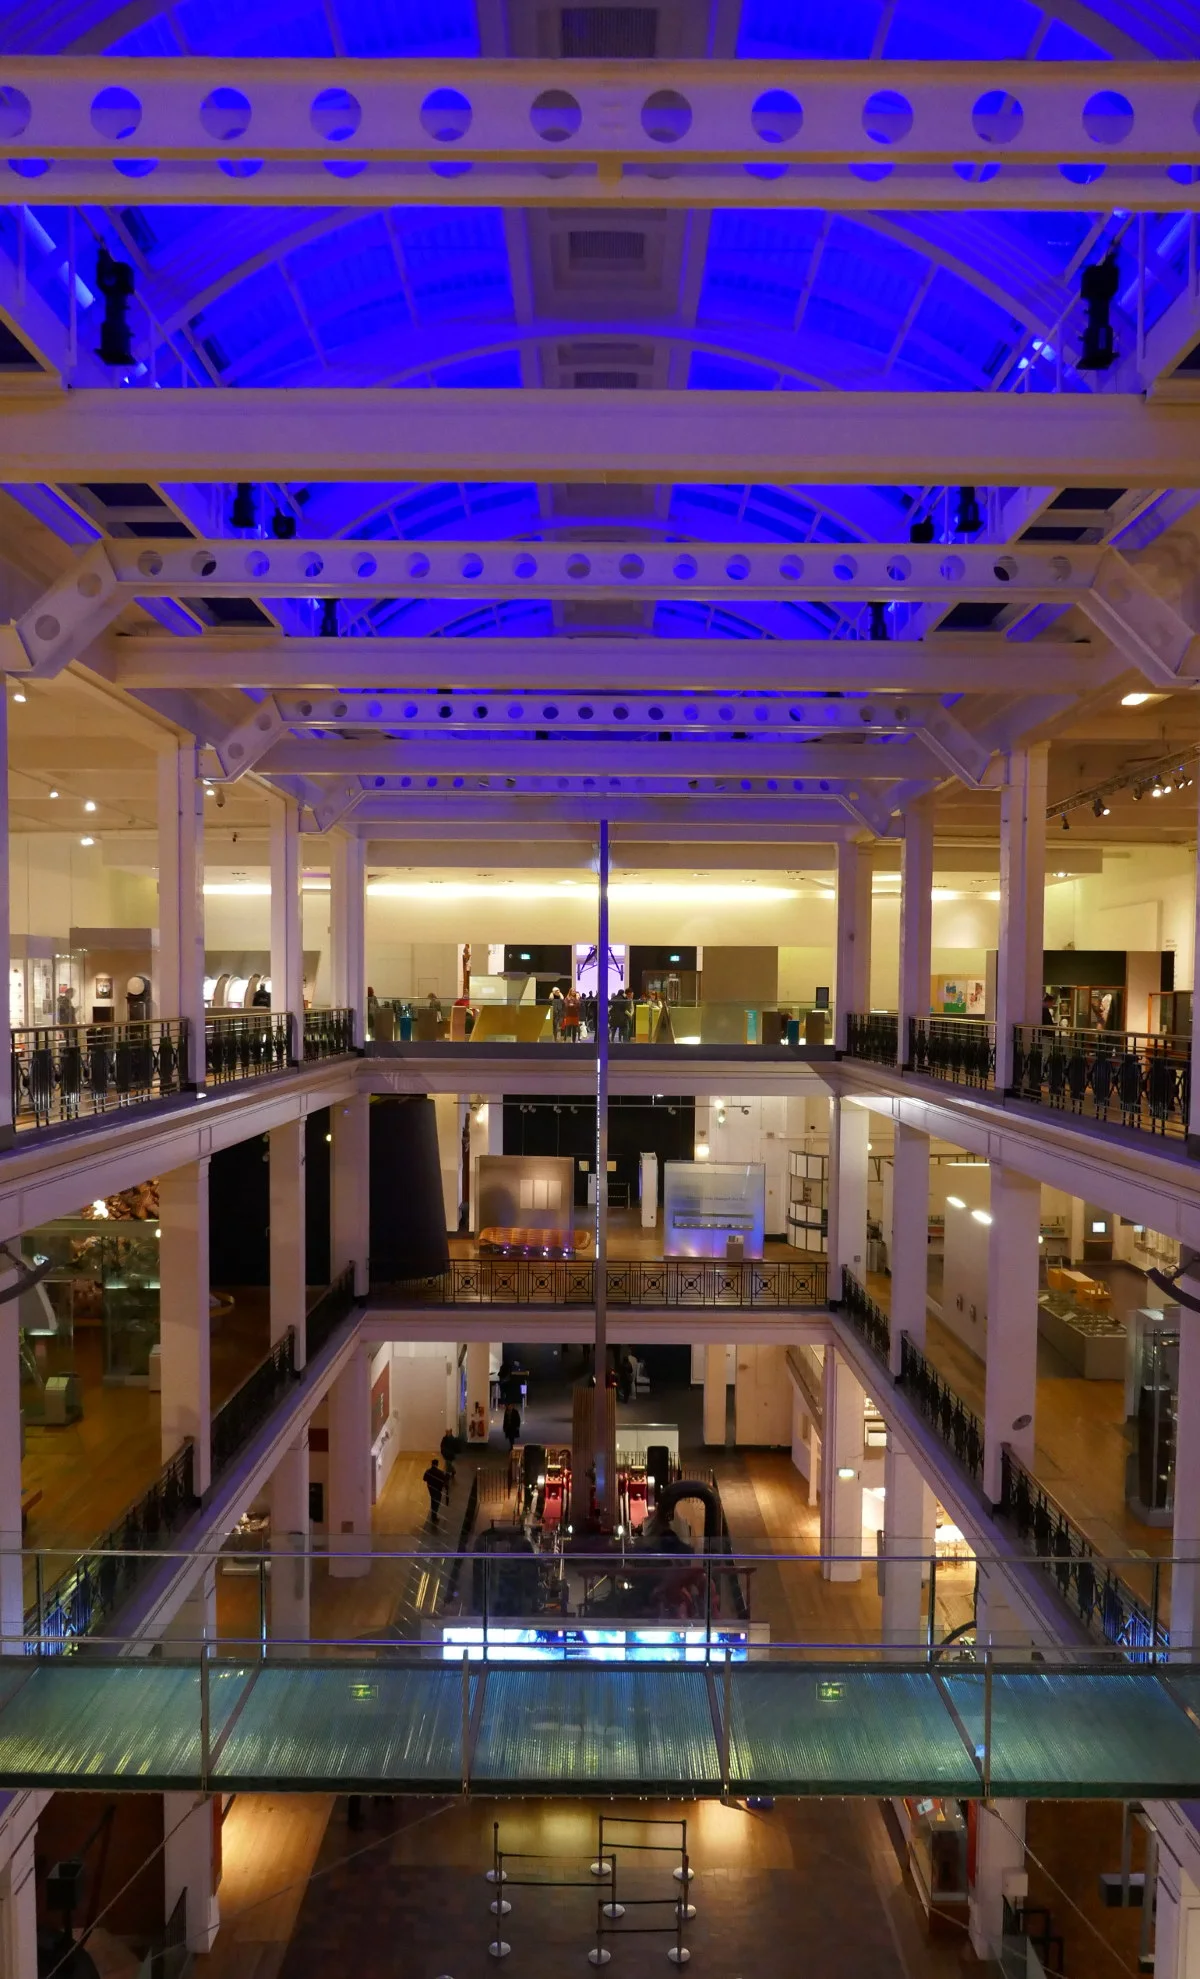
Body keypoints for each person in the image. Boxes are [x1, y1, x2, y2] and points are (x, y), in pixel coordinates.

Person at [423, 1457, 447, 1526]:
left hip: (431, 1489)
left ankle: (433, 1514)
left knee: (433, 1500)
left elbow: (424, 1479)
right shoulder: (440, 1472)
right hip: (437, 1489)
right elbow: (444, 1481)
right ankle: (434, 1515)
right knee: (436, 1502)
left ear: (432, 1464)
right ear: (437, 1464)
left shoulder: (428, 1471)